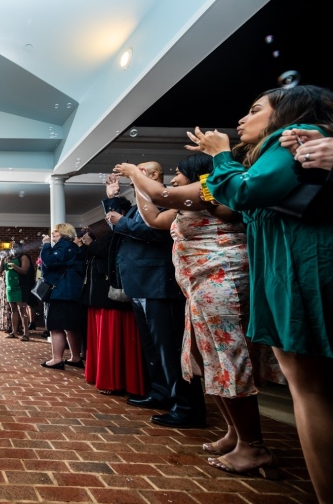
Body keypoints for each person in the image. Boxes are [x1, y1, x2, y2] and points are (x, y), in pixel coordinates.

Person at [187, 86, 333, 497]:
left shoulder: (297, 135)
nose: (242, 119)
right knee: (307, 383)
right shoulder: (281, 147)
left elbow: (243, 194)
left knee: (310, 388)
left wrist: (219, 155)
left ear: (285, 113)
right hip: (284, 264)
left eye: (254, 110)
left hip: (302, 262)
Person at [115, 153, 273, 478]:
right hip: (200, 287)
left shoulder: (213, 191)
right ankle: (235, 433)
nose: (173, 180)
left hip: (222, 279)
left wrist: (134, 172)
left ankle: (253, 445)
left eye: (176, 174)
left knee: (230, 361)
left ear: (198, 175)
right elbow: (154, 219)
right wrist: (137, 185)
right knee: (211, 361)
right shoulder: (191, 202)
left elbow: (160, 196)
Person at [106, 164, 205, 429]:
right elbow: (119, 222)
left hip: (159, 283)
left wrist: (122, 222)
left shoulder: (165, 199)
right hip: (140, 283)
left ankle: (186, 405)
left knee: (170, 348)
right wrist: (114, 199)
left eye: (139, 169)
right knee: (152, 346)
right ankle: (161, 392)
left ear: (152, 175)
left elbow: (156, 232)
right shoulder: (143, 201)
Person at [80, 219, 146, 397]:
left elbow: (102, 251)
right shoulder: (106, 237)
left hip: (112, 295)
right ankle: (100, 374)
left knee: (113, 338)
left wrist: (91, 243)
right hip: (97, 295)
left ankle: (115, 379)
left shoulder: (117, 235)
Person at [39, 223, 86, 370]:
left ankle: (57, 359)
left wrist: (46, 245)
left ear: (64, 233)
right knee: (71, 327)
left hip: (61, 293)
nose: (52, 234)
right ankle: (75, 357)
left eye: (56, 232)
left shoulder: (63, 246)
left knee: (56, 326)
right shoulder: (75, 248)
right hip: (73, 292)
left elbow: (49, 261)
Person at [0, 246, 31, 341]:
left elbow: (24, 271)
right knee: (13, 310)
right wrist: (2, 259)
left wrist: (14, 266)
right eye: (12, 247)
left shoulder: (23, 257)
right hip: (10, 287)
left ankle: (26, 333)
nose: (13, 248)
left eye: (16, 247)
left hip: (20, 287)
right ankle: (14, 332)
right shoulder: (9, 259)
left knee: (22, 310)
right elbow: (0, 271)